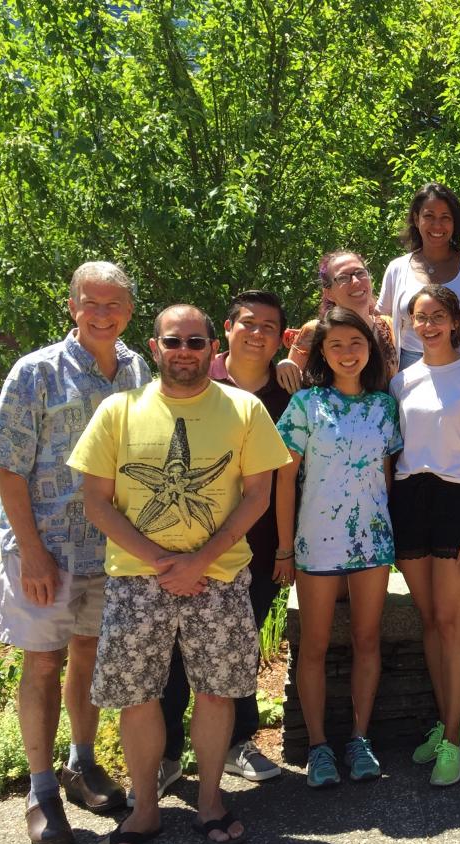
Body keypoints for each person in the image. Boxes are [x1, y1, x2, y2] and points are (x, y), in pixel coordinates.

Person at [69, 304, 291, 844]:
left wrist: (201, 560)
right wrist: (167, 562)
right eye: (175, 341)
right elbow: (96, 501)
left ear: (211, 347)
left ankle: (211, 802)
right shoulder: (118, 411)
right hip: (135, 581)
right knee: (138, 694)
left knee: (217, 690)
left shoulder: (244, 409)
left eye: (196, 342)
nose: (185, 351)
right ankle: (144, 810)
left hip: (218, 577)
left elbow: (257, 496)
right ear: (154, 346)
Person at [0, 261, 150, 844]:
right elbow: (5, 464)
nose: (103, 314)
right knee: (44, 664)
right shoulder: (37, 372)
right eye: (91, 303)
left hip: (110, 553)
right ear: (72, 306)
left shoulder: (138, 368)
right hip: (46, 550)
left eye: (114, 303)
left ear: (130, 308)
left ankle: (81, 764)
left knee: (88, 658)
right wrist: (30, 552)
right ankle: (42, 788)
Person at [152, 291, 293, 804]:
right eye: (248, 323)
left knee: (240, 648)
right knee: (171, 655)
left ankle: (236, 742)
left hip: (257, 547)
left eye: (269, 327)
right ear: (227, 330)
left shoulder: (287, 390)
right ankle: (168, 753)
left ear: (281, 337)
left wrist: (285, 547)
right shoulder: (194, 378)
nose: (257, 333)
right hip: (181, 545)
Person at [274, 306, 402, 788]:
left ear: (369, 349)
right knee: (315, 646)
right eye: (336, 345)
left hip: (372, 539)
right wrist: (285, 548)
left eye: (356, 343)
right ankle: (319, 746)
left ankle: (359, 739)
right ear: (322, 354)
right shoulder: (307, 404)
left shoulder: (385, 406)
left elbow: (386, 480)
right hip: (316, 541)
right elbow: (284, 480)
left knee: (368, 640)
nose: (347, 353)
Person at [390, 284, 460, 786]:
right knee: (430, 620)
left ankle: (454, 740)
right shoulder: (401, 381)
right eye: (420, 317)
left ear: (455, 322)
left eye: (437, 315)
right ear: (409, 325)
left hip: (459, 502)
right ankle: (446, 723)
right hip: (410, 500)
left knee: (452, 621)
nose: (428, 324)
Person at [377, 183, 460, 370]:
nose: (437, 225)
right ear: (416, 220)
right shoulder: (397, 269)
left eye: (445, 217)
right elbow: (381, 324)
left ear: (454, 222)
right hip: (409, 369)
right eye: (429, 216)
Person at [277, 249, 399, 391]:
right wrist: (283, 364)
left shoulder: (389, 326)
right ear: (328, 293)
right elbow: (292, 384)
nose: (355, 281)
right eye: (342, 278)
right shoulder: (314, 331)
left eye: (360, 273)